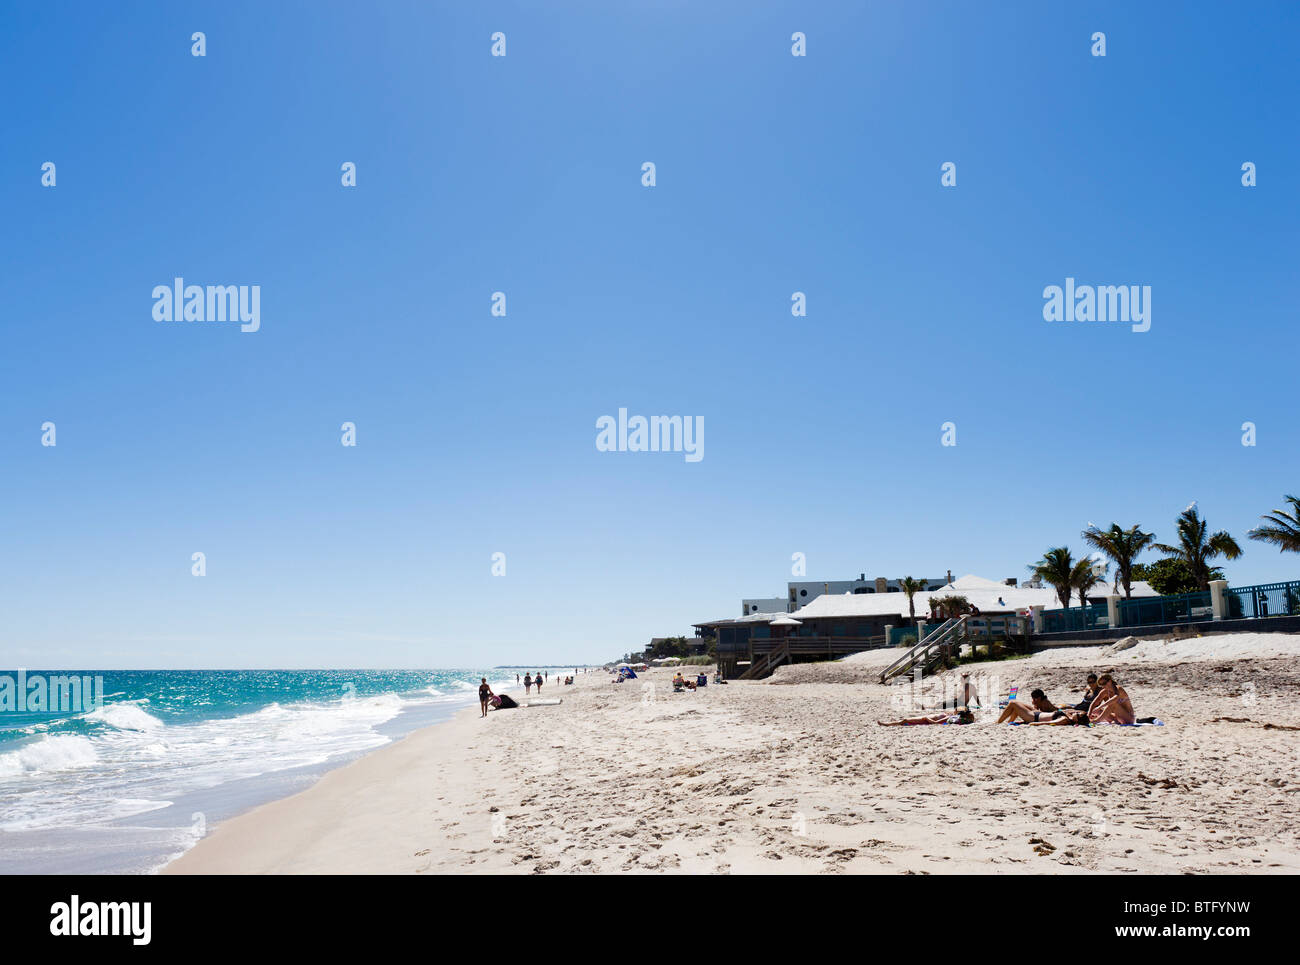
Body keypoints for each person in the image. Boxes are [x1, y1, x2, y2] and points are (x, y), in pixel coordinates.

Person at [878, 710, 976, 726]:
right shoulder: (950, 715)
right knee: (905, 719)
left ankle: (886, 724)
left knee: (905, 720)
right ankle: (889, 723)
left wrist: (927, 718)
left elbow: (936, 723)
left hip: (924, 719)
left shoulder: (949, 717)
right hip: (924, 718)